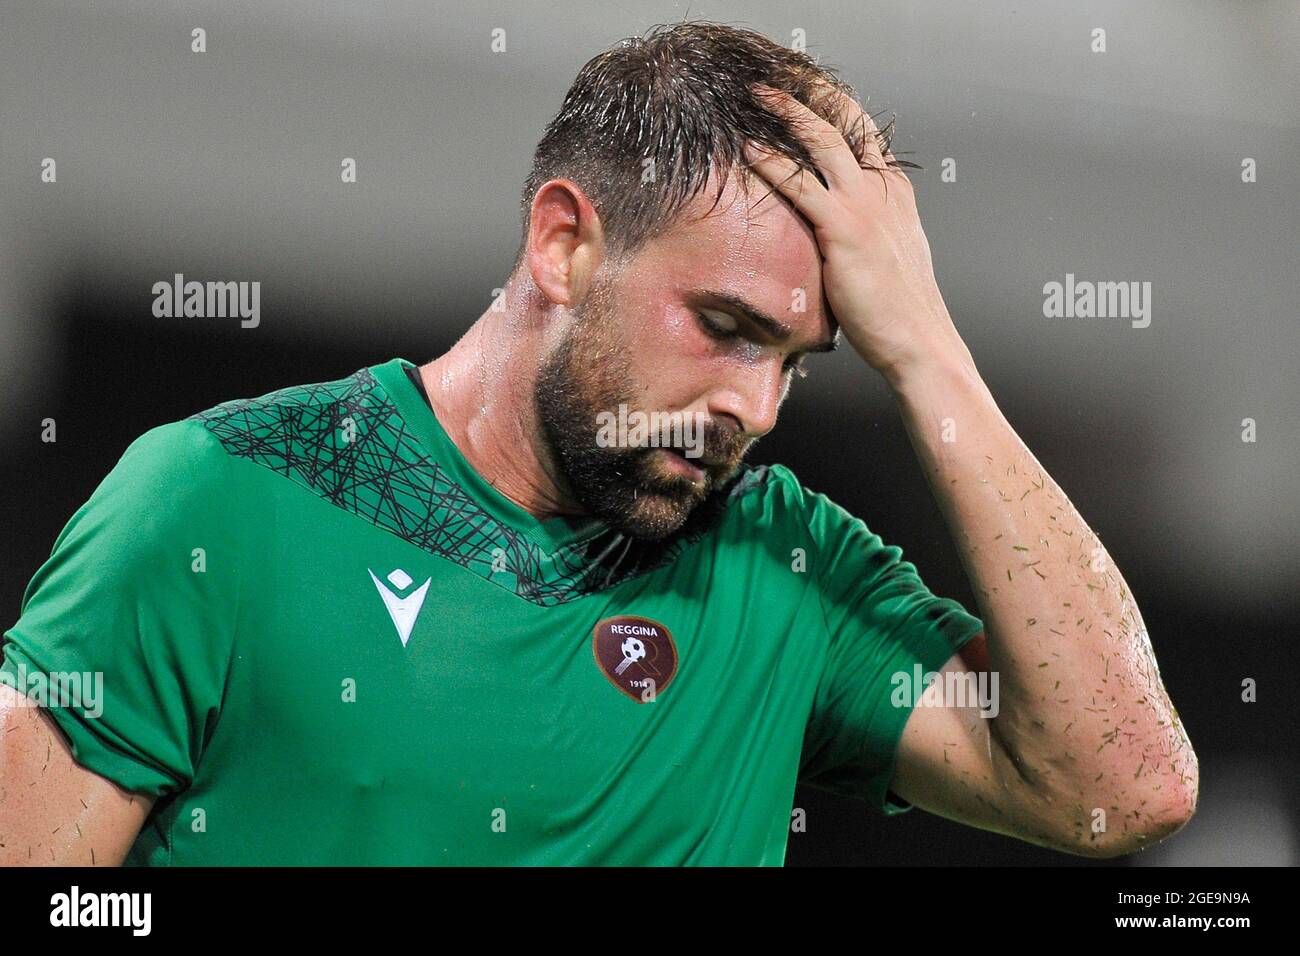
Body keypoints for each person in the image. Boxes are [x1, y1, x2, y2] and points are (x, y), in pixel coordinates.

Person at [0, 21, 1196, 865]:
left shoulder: (787, 572)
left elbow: (1124, 786)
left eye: (796, 359)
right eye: (724, 328)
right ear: (565, 243)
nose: (756, 407)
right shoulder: (217, 503)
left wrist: (931, 354)